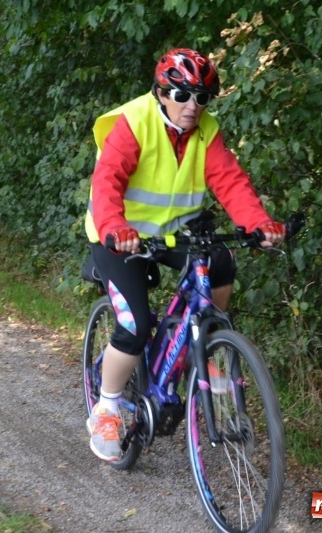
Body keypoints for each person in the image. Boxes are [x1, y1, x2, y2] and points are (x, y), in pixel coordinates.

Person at [84, 48, 287, 462]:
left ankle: (207, 349)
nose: (192, 106)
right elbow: (107, 182)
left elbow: (229, 180)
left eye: (202, 97)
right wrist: (114, 229)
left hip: (179, 235)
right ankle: (106, 407)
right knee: (135, 324)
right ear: (162, 92)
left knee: (223, 261)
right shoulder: (134, 122)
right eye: (182, 95)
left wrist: (259, 223)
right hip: (121, 236)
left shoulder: (205, 131)